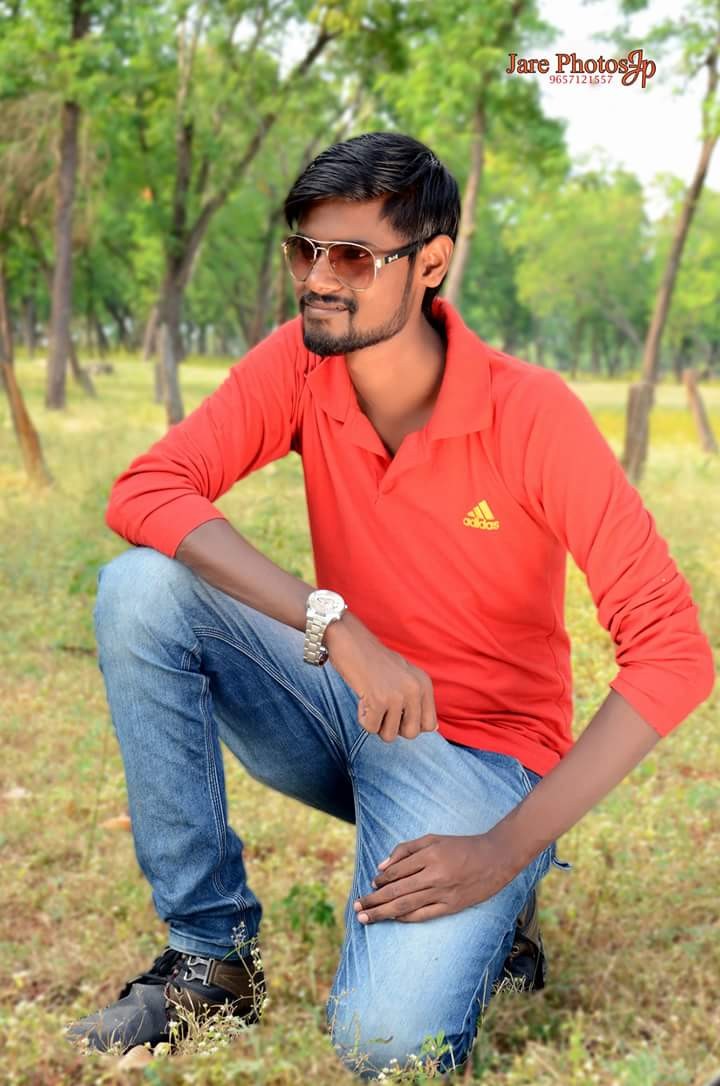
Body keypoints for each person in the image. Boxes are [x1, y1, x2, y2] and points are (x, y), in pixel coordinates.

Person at [66, 131, 715, 1080]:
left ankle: (507, 901)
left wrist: (503, 848)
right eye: (304, 250)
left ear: (431, 264)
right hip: (347, 701)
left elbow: (673, 653)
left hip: (482, 759)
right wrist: (333, 623)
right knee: (140, 590)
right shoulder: (302, 363)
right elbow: (149, 488)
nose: (319, 279)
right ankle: (212, 958)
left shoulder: (532, 414)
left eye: (354, 256)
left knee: (388, 1047)